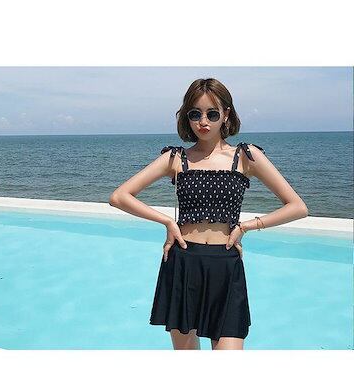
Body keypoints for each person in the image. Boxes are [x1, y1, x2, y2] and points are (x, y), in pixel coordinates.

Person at [109, 78, 308, 350]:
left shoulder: (246, 156)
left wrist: (246, 226)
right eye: (195, 114)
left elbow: (297, 206)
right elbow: (120, 197)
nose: (203, 121)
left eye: (212, 114)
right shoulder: (176, 158)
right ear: (187, 117)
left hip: (225, 265)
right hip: (182, 262)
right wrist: (167, 221)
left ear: (226, 114)